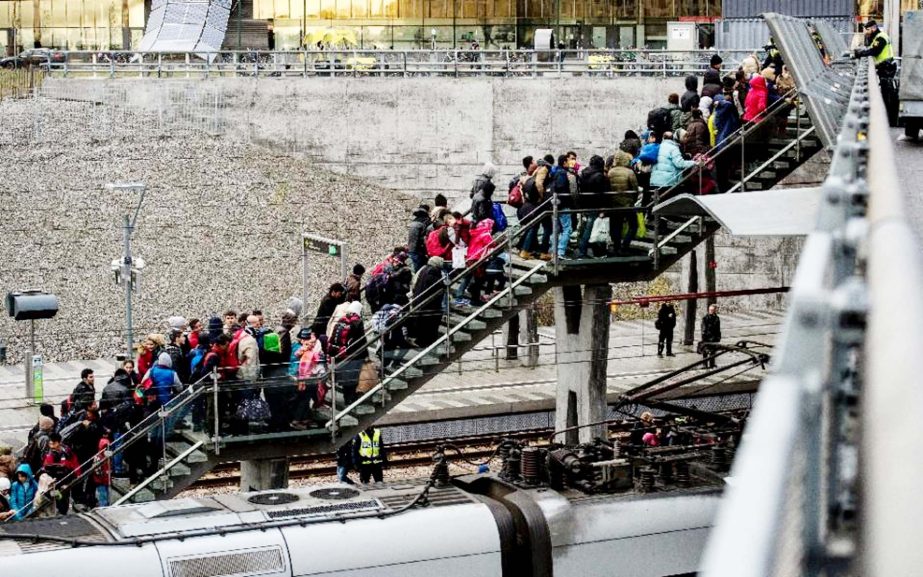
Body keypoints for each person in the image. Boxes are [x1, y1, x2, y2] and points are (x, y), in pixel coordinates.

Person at [854, 20, 897, 126]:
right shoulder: (877, 37)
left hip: (887, 68)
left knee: (887, 95)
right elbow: (872, 48)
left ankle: (888, 121)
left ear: (873, 28)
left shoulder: (881, 37)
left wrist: (860, 54)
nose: (866, 32)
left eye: (867, 30)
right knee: (886, 94)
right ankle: (888, 119)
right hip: (885, 67)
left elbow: (875, 51)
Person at [326, 301, 368, 405]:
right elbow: (361, 340)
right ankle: (351, 399)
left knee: (346, 377)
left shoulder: (342, 319)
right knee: (353, 377)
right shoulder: (357, 322)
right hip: (354, 354)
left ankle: (347, 397)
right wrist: (366, 355)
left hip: (341, 353)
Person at [576, 154, 612, 258]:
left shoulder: (583, 174)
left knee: (590, 228)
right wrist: (604, 208)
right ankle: (584, 251)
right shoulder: (599, 176)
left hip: (585, 204)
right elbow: (604, 194)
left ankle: (590, 250)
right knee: (595, 228)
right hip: (596, 205)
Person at [606, 151, 639, 255]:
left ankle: (617, 247)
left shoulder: (610, 172)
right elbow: (635, 188)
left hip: (614, 203)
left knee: (616, 226)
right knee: (633, 225)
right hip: (627, 203)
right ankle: (625, 245)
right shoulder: (629, 172)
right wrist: (633, 200)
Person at [409, 256, 447, 347]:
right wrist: (444, 285)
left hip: (419, 300)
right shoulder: (433, 272)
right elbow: (436, 285)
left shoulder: (424, 269)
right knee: (430, 323)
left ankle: (422, 340)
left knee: (423, 322)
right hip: (429, 303)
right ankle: (427, 341)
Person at [41, 432, 80, 515]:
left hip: (67, 479)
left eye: (53, 443)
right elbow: (46, 468)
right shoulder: (49, 455)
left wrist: (77, 474)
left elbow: (74, 462)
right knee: (59, 498)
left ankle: (63, 511)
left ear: (59, 442)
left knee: (65, 498)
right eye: (50, 443)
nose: (51, 446)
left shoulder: (67, 451)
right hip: (56, 483)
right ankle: (60, 511)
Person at [407, 206, 431, 271]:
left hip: (411, 249)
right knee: (420, 269)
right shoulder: (425, 222)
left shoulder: (413, 222)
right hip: (418, 250)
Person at [700, 304, 722, 369]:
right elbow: (703, 328)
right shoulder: (705, 318)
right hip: (707, 337)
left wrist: (718, 337)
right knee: (705, 352)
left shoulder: (717, 318)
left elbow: (718, 329)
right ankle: (705, 365)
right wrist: (704, 337)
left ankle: (712, 364)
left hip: (714, 337)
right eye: (710, 310)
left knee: (713, 352)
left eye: (713, 310)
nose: (711, 311)